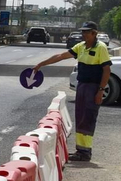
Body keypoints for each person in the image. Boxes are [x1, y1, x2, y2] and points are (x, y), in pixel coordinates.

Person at [31, 22, 111, 162]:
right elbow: (61, 56)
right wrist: (41, 64)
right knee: (80, 117)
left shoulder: (101, 48)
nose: (84, 34)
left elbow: (106, 70)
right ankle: (81, 150)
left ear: (94, 33)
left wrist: (100, 91)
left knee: (88, 118)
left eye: (87, 32)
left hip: (93, 87)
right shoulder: (81, 47)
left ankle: (85, 151)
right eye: (83, 32)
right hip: (82, 86)